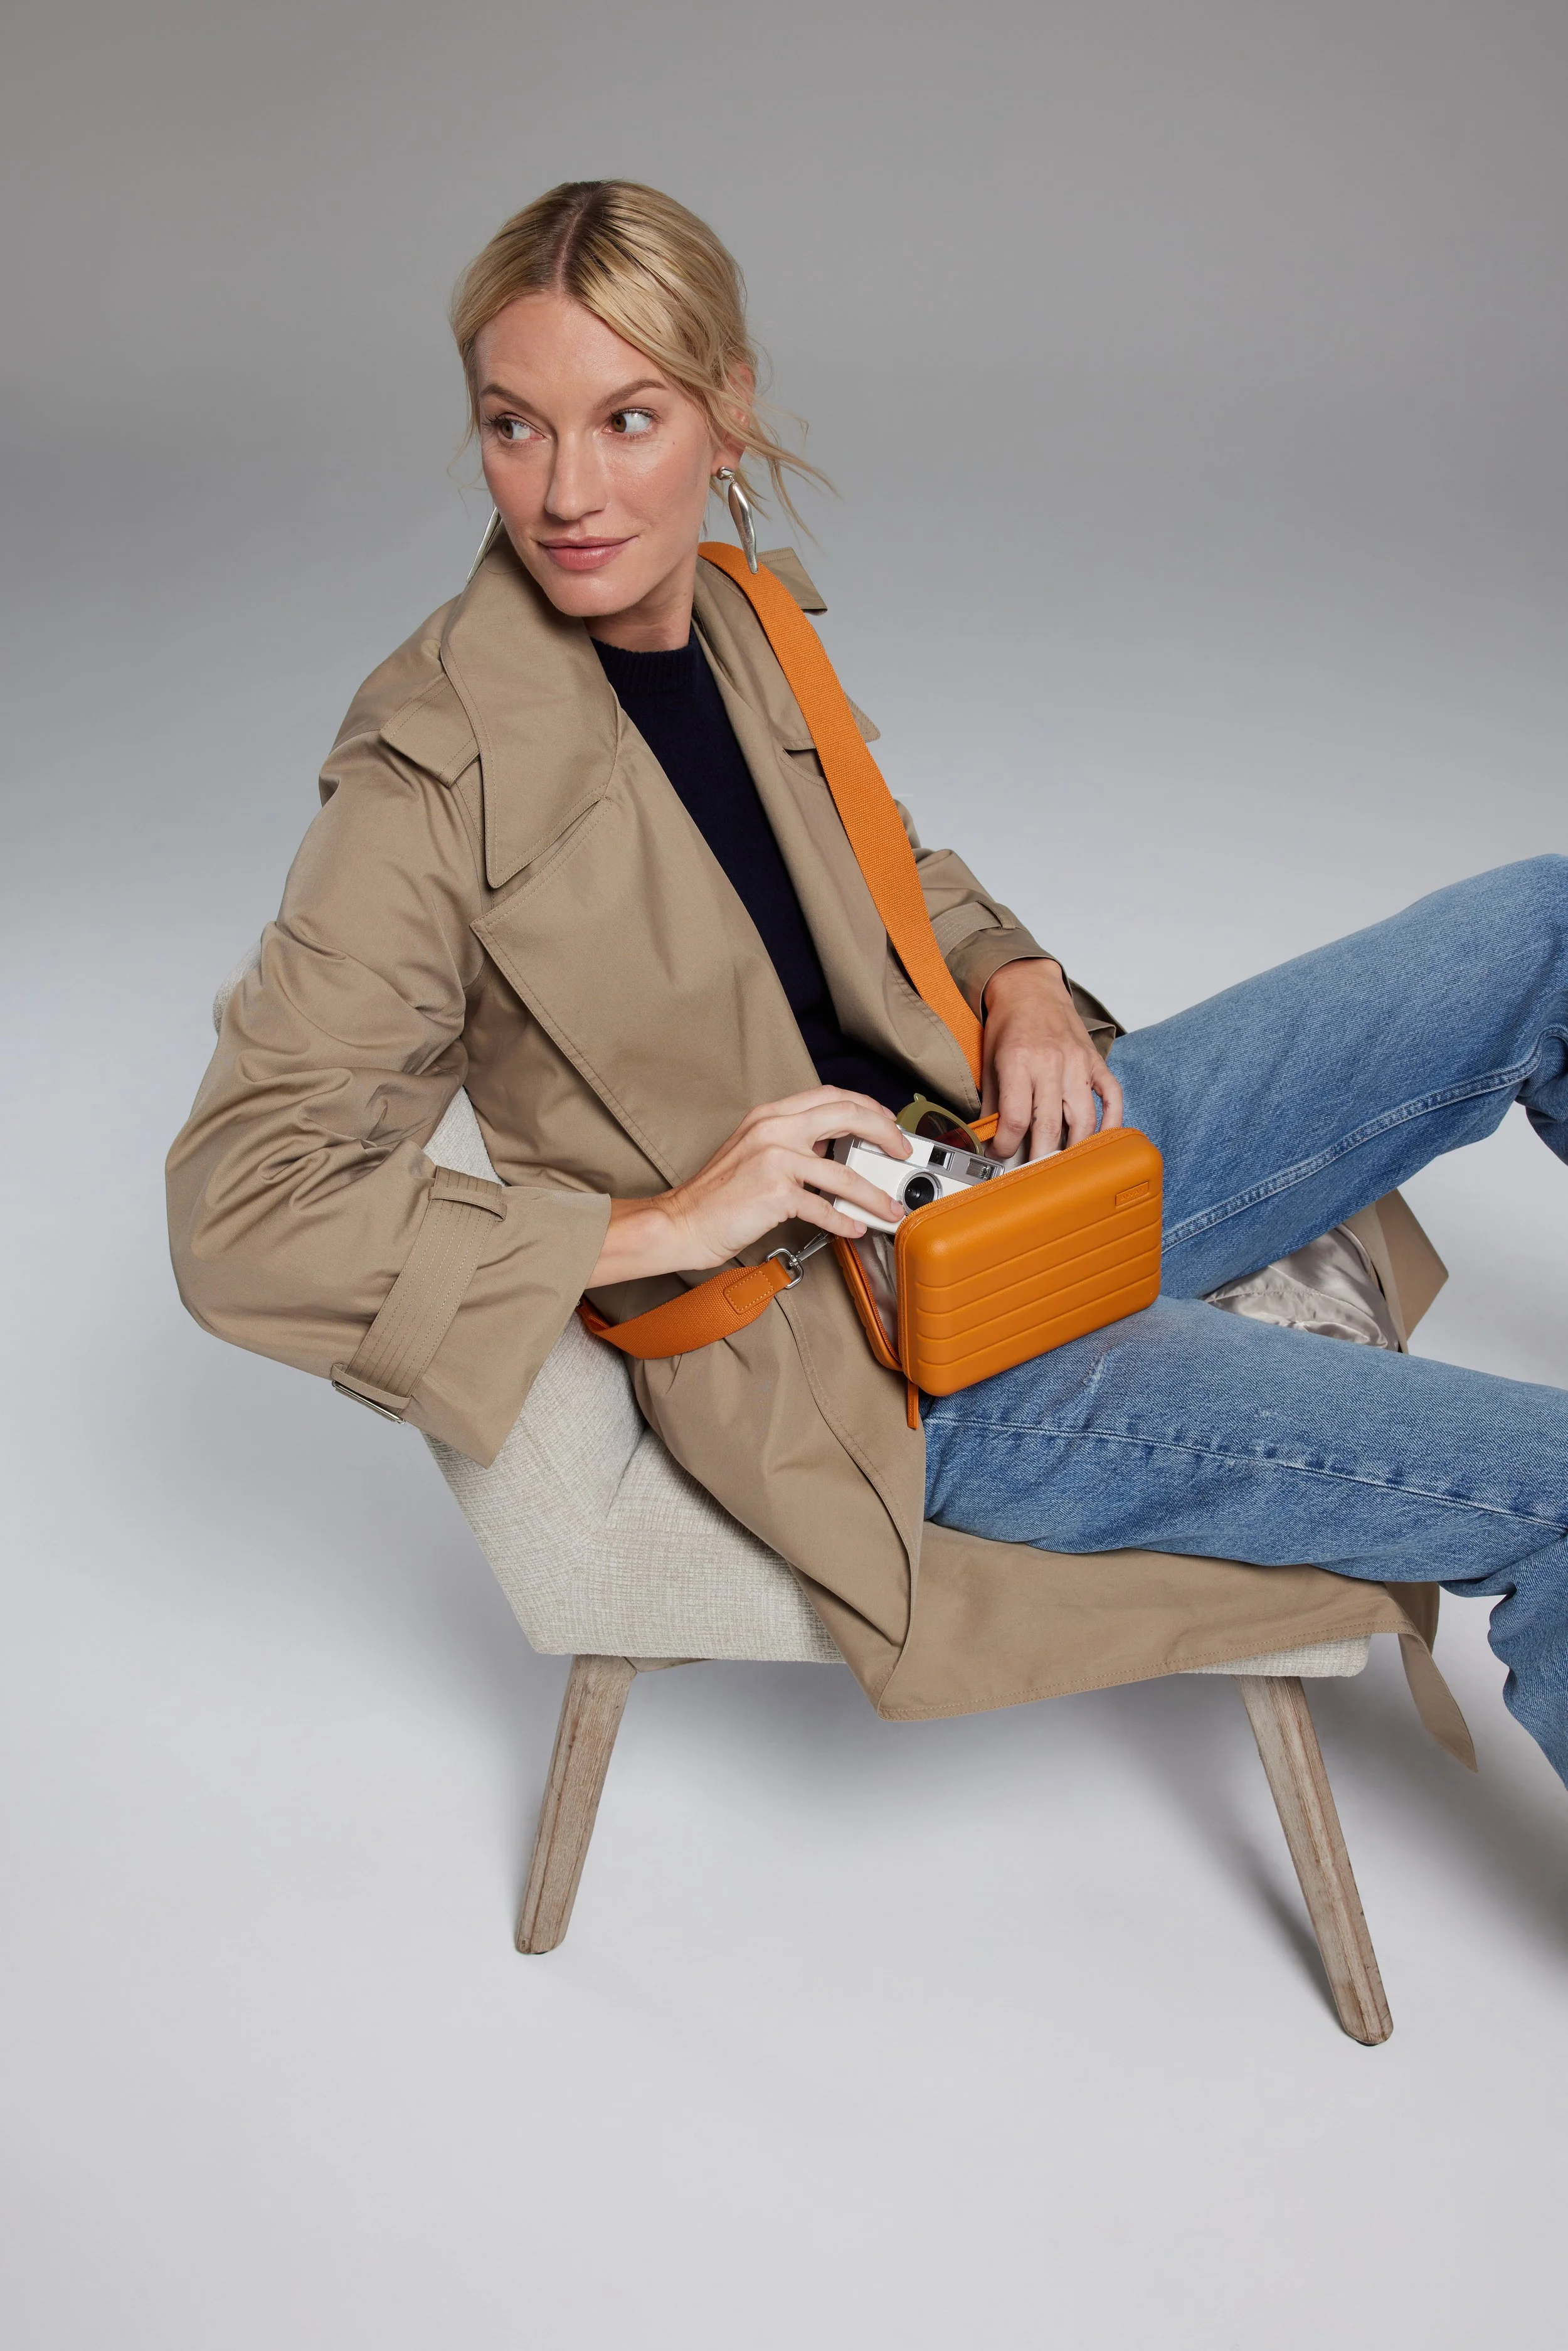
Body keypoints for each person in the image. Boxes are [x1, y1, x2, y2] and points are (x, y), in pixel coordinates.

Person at [166, 181, 1568, 1782]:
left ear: (726, 411)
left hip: (999, 1163)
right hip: (870, 1355)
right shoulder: (429, 778)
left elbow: (889, 867)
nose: (565, 492)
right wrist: (667, 1224)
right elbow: (244, 1208)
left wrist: (1021, 978)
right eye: (513, 426)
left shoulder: (741, 618)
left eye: (626, 419)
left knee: (1543, 924)